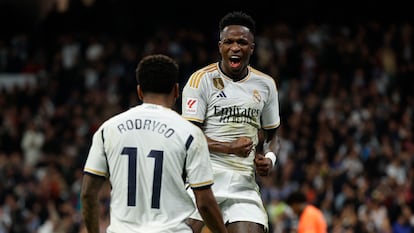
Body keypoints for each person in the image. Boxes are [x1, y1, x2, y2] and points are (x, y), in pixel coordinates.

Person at [80, 54, 228, 233]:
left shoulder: (108, 130)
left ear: (139, 91)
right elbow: (204, 203)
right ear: (176, 91)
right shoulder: (190, 133)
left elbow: (88, 193)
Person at [181, 11, 281, 233]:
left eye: (242, 42)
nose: (235, 47)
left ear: (251, 48)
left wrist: (270, 158)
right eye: (229, 42)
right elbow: (188, 136)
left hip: (242, 186)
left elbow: (273, 136)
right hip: (203, 181)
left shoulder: (265, 84)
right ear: (220, 46)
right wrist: (228, 147)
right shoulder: (201, 80)